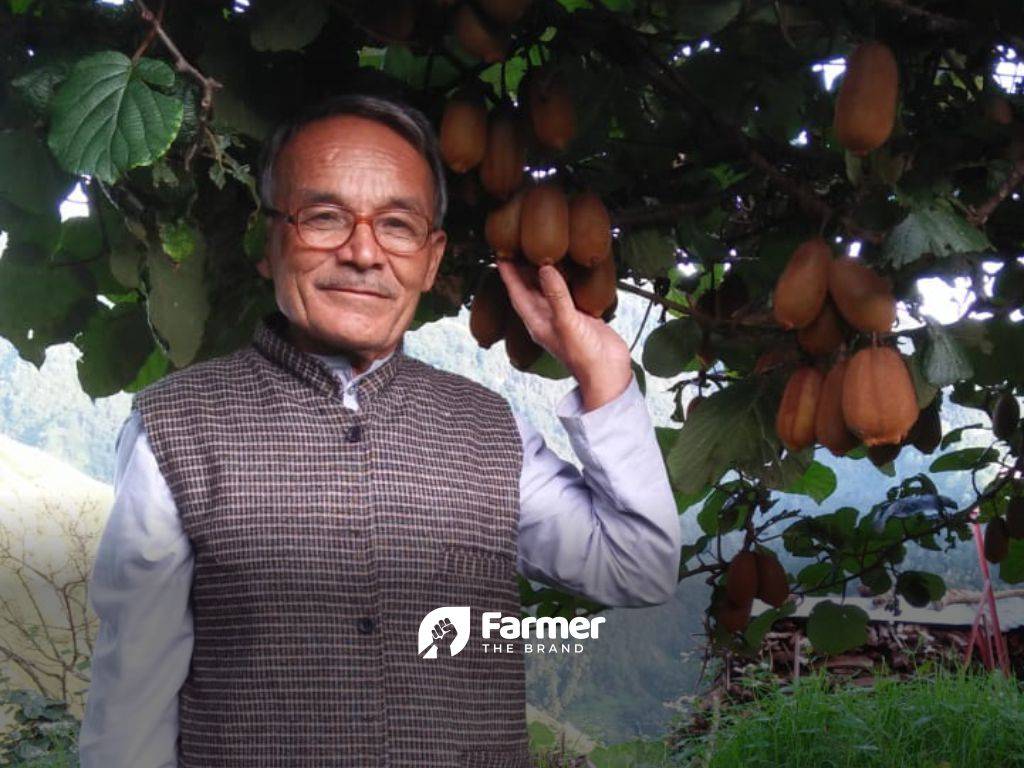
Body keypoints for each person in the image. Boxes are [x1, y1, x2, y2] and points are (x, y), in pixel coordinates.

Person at [77, 93, 681, 768]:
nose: (364, 252)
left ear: (430, 259)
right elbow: (132, 702)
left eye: (398, 226)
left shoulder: (487, 428)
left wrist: (604, 375)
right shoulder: (177, 428)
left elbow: (641, 567)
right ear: (268, 241)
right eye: (325, 216)